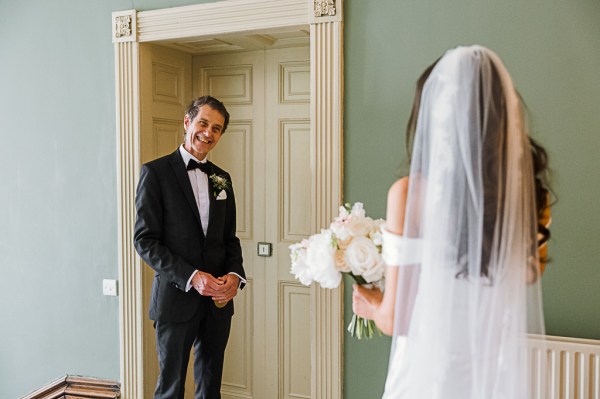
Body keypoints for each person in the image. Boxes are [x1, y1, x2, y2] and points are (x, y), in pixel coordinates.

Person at [352, 46, 551, 398]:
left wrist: (370, 304)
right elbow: (523, 278)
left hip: (427, 376)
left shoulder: (409, 195)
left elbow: (396, 319)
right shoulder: (527, 195)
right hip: (491, 374)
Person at [134, 95, 246, 399]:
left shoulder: (222, 179)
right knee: (170, 389)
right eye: (203, 123)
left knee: (210, 389)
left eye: (217, 128)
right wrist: (192, 276)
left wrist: (236, 276)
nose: (208, 133)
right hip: (175, 300)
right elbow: (144, 240)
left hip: (218, 305)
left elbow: (229, 239)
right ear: (187, 122)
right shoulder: (155, 173)